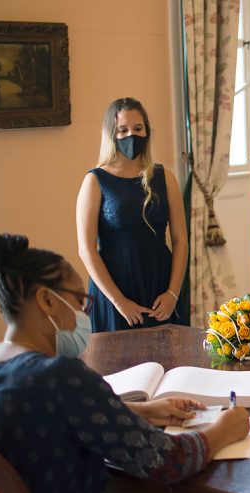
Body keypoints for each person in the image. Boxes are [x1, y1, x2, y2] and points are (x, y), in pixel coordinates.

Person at [0, 233, 250, 493]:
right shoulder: (60, 377)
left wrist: (141, 410)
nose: (83, 314)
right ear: (47, 301)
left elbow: (45, 415)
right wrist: (225, 429)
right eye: (81, 302)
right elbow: (168, 461)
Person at [76, 97, 188, 332]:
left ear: (147, 131)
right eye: (123, 130)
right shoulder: (95, 180)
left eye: (138, 128)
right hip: (114, 287)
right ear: (111, 134)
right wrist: (119, 302)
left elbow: (180, 240)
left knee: (168, 359)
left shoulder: (164, 176)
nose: (131, 135)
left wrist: (173, 293)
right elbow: (86, 250)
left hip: (160, 283)